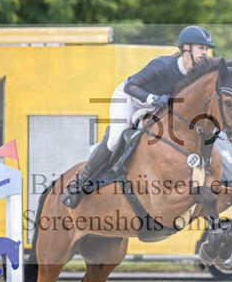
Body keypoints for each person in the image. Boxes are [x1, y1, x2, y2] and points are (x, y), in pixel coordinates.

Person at [61, 25, 215, 208]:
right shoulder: (163, 65)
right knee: (115, 139)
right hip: (130, 98)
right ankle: (77, 186)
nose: (205, 53)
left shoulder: (197, 76)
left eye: (206, 49)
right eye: (201, 48)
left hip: (157, 105)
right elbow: (130, 86)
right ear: (186, 48)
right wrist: (153, 98)